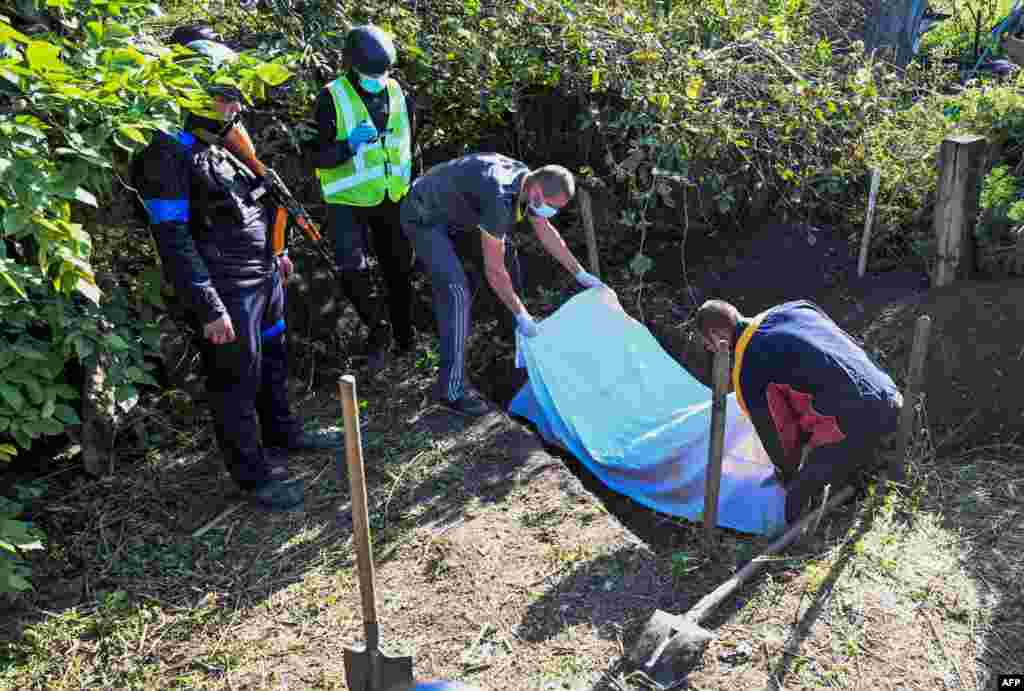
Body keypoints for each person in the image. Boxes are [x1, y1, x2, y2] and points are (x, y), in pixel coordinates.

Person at [131, 27, 341, 511]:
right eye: (224, 97)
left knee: (273, 360)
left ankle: (284, 434)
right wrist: (208, 305)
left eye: (234, 96)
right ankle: (253, 476)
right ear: (194, 92)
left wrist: (277, 251)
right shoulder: (166, 150)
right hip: (225, 287)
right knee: (234, 381)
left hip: (262, 275)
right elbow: (172, 237)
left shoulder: (221, 140)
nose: (235, 106)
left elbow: (253, 200)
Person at [400, 153, 606, 417]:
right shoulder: (499, 199)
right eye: (551, 206)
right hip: (424, 214)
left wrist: (580, 274)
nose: (551, 212)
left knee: (506, 253)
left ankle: (514, 342)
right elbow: (494, 271)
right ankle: (451, 391)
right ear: (536, 191)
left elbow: (544, 229)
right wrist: (522, 314)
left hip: (457, 211)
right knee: (456, 291)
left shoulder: (527, 181)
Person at [695, 299, 902, 524]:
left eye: (708, 345)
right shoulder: (796, 308)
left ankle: (814, 535)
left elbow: (780, 436)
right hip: (891, 396)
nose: (710, 350)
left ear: (717, 336)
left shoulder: (748, 370)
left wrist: (787, 474)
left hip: (856, 421)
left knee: (795, 501)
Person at [309, 24, 416, 370]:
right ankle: (378, 329)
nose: (378, 80)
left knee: (399, 267)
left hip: (392, 195)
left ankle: (406, 337)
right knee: (352, 270)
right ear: (353, 65)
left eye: (383, 73)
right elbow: (315, 155)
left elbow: (408, 143)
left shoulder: (397, 91)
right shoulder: (331, 97)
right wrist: (349, 144)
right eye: (372, 74)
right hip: (347, 200)